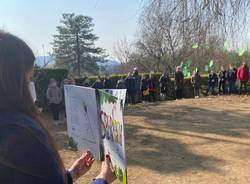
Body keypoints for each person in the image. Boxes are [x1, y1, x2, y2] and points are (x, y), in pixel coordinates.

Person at [0, 31, 116, 184]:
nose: (30, 86)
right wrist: (103, 179)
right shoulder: (20, 134)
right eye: (29, 78)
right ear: (14, 82)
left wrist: (70, 175)